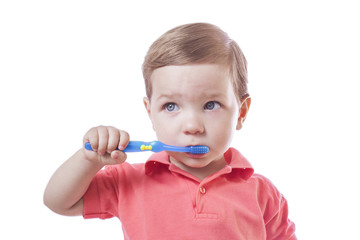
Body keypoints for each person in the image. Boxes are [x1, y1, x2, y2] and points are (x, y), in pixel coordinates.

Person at [44, 22, 297, 239]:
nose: (192, 127)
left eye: (211, 105)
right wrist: (88, 160)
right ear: (150, 113)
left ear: (241, 113)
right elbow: (57, 202)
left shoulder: (262, 194)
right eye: (171, 106)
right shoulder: (127, 181)